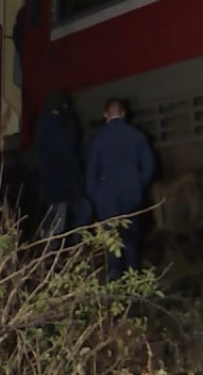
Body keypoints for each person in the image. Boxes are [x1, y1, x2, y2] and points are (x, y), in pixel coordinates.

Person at [85, 97, 155, 279]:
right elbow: (149, 166)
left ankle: (115, 283)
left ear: (105, 115)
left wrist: (96, 197)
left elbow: (91, 173)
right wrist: (138, 185)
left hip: (106, 199)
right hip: (131, 196)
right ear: (123, 114)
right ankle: (134, 281)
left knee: (111, 244)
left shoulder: (97, 139)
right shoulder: (137, 136)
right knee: (131, 242)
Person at [34, 92, 89, 247]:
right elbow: (69, 146)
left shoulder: (44, 125)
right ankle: (58, 254)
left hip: (55, 184)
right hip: (65, 184)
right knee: (66, 218)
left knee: (57, 219)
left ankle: (52, 252)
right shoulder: (61, 124)